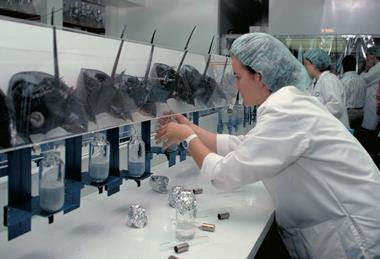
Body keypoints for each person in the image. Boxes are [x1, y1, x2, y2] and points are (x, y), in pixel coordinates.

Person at [155, 33, 380, 258]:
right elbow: (246, 145)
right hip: (342, 224)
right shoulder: (290, 103)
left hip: (353, 236)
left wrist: (188, 138)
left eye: (238, 76)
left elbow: (223, 175)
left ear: (259, 77)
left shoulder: (284, 111)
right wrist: (192, 129)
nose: (235, 85)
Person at [303, 48, 350, 128]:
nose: (305, 67)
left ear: (314, 65)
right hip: (324, 126)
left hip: (335, 129)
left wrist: (314, 112)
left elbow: (336, 107)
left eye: (306, 64)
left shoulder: (329, 79)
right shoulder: (315, 81)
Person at [357, 46, 380, 161]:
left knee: (369, 133)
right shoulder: (376, 67)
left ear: (374, 56)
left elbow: (364, 79)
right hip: (372, 103)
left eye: (368, 55)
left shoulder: (378, 67)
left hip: (374, 104)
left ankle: (371, 157)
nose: (367, 58)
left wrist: (366, 68)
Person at [340, 55, 367, 130]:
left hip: (348, 114)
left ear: (343, 66)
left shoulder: (342, 82)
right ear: (355, 65)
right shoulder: (362, 80)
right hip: (361, 113)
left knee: (347, 136)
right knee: (357, 137)